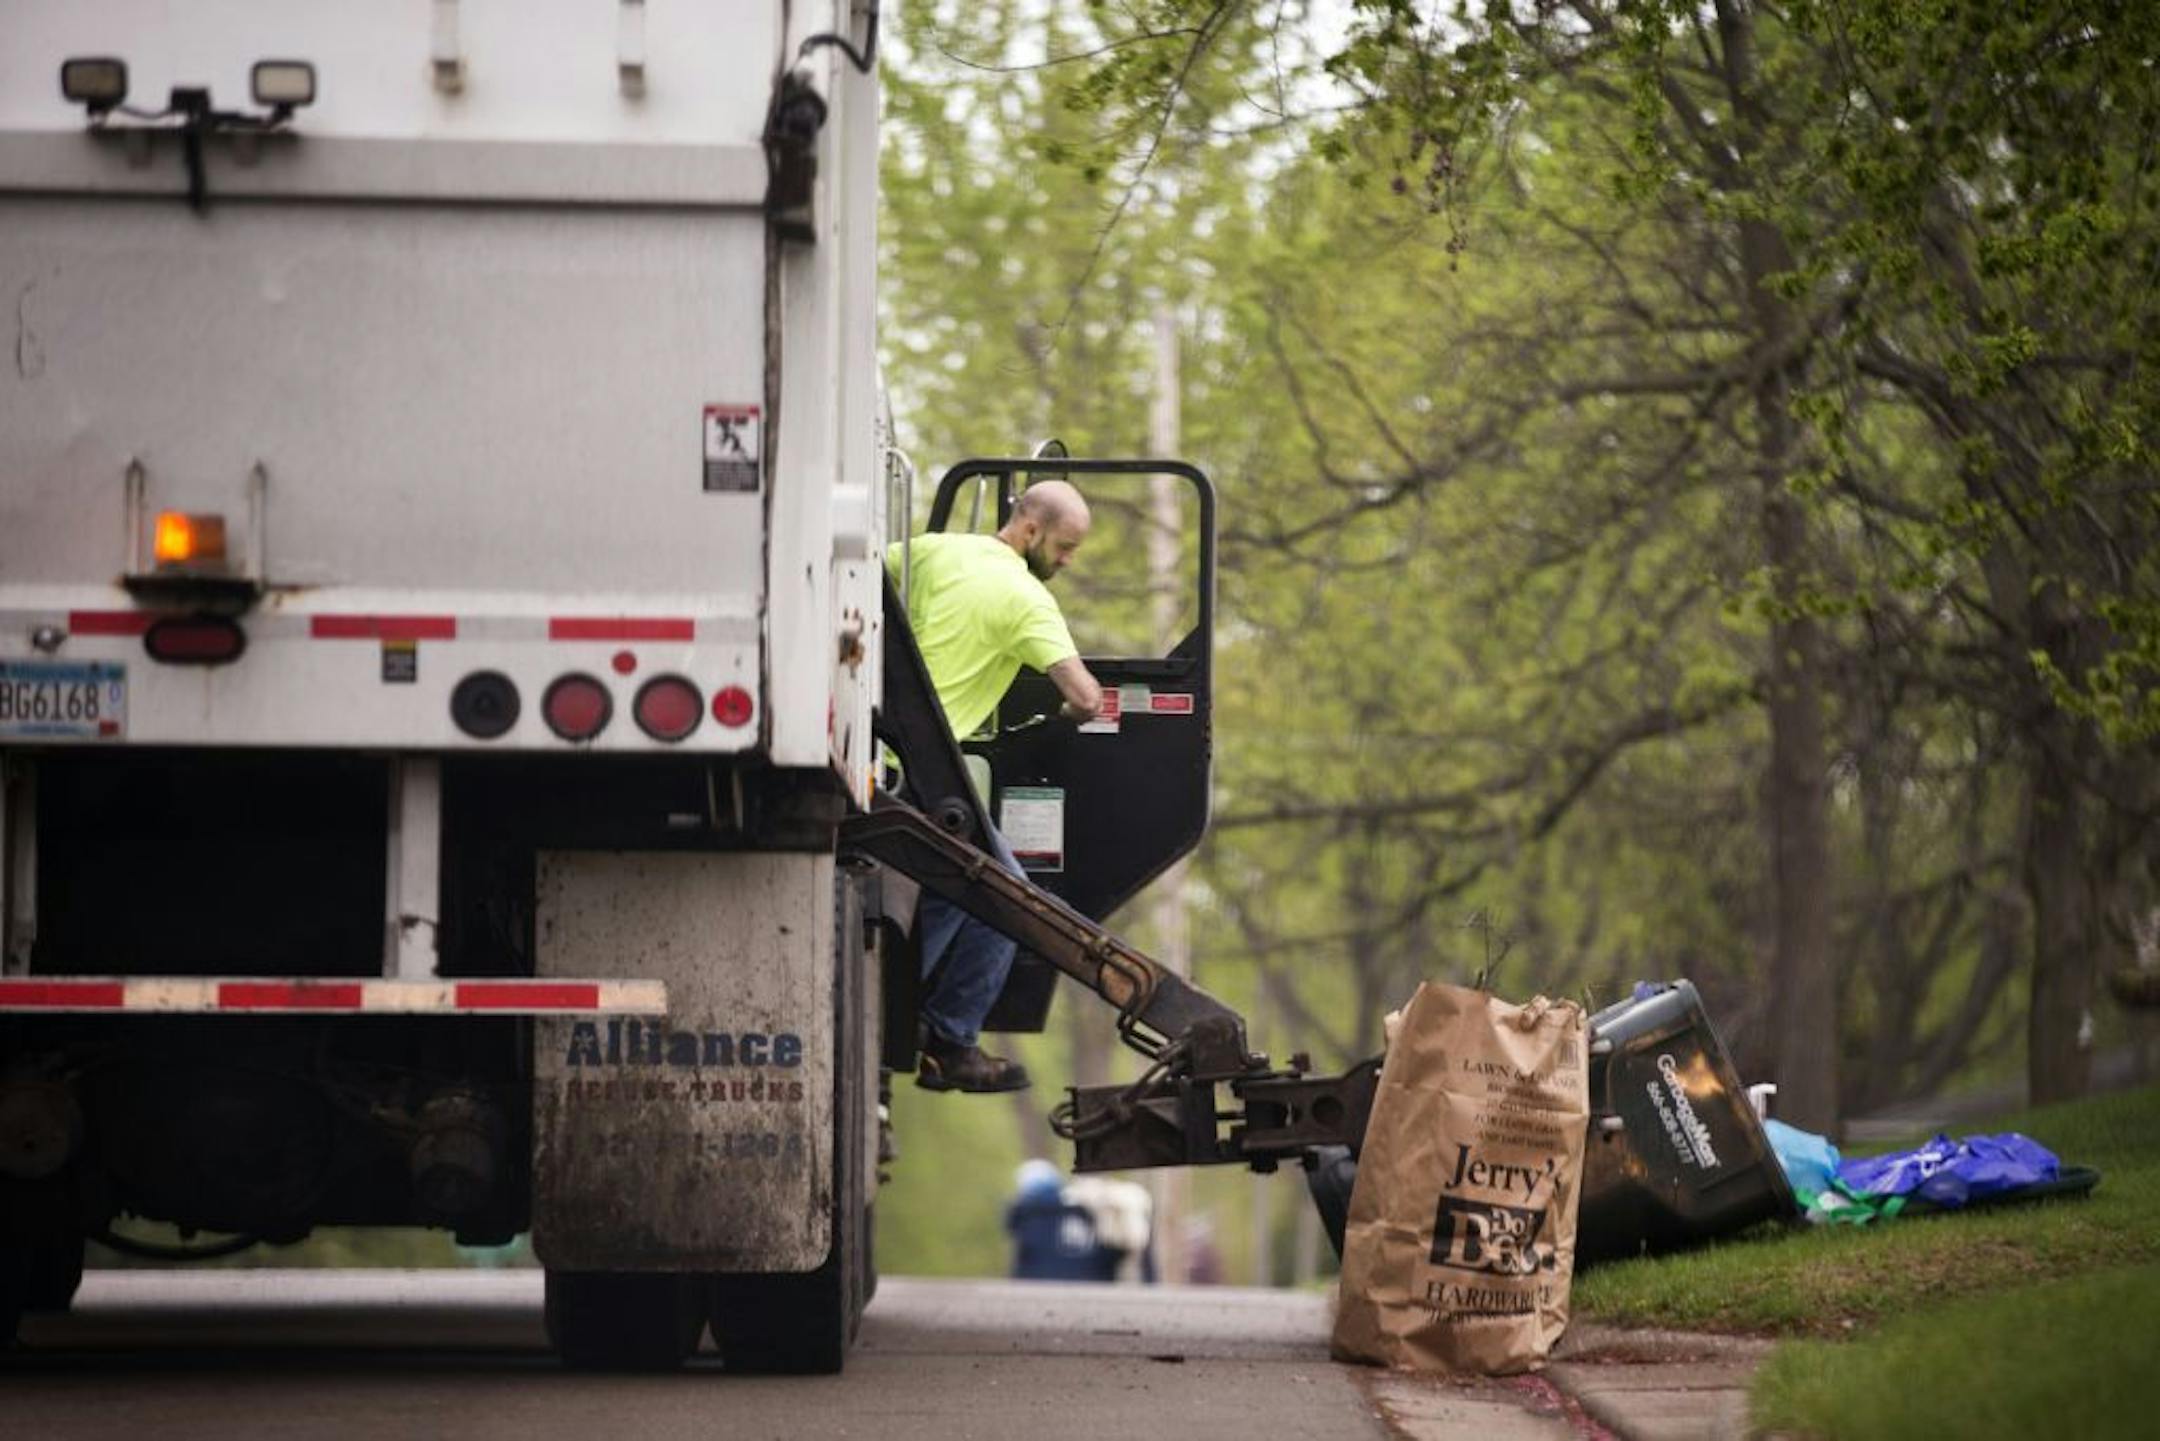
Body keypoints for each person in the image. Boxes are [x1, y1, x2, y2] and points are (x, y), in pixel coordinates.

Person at [885, 481, 1104, 1093]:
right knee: (1007, 899)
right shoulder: (1025, 600)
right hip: (930, 781)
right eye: (1064, 547)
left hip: (880, 760)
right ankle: (946, 1039)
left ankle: (920, 1024)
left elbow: (867, 572)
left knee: (960, 889)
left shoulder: (933, 552)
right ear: (1031, 530)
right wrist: (1063, 718)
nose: (1066, 561)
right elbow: (1087, 697)